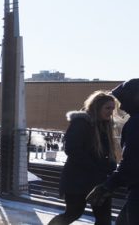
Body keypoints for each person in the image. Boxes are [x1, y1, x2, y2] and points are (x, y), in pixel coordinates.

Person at [49, 90, 119, 225]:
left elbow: (106, 152)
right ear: (97, 107)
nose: (111, 112)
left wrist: (111, 165)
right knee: (73, 213)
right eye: (108, 108)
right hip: (78, 180)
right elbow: (72, 150)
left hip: (99, 181)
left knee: (104, 218)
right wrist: (97, 168)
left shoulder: (105, 126)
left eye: (112, 108)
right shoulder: (81, 123)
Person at [87, 78, 139, 224]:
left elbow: (131, 162)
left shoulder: (135, 123)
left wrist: (108, 185)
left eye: (124, 99)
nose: (121, 105)